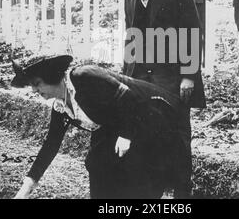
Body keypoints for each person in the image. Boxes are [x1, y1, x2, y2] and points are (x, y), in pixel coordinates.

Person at [11, 55, 185, 199]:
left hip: (153, 118)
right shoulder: (60, 106)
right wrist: (27, 187)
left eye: (37, 83)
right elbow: (51, 144)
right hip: (118, 123)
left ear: (51, 75)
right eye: (32, 85)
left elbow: (128, 97)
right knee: (96, 164)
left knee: (137, 176)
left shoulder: (84, 76)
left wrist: (126, 136)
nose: (34, 90)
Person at [118, 0, 206, 198]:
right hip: (142, 83)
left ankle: (182, 198)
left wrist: (188, 76)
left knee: (177, 143)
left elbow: (191, 34)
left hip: (172, 80)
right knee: (147, 143)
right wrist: (126, 79)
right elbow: (131, 38)